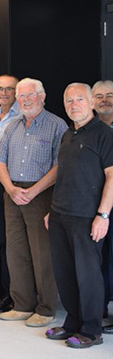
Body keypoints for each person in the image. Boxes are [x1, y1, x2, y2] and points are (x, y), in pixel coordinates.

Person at [44, 83, 113, 348]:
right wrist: (52, 210)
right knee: (65, 273)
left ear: (92, 103)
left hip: (87, 217)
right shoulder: (67, 135)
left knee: (88, 275)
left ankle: (92, 330)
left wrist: (103, 215)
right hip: (60, 215)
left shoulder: (104, 135)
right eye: (69, 100)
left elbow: (111, 176)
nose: (74, 105)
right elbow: (64, 175)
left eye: (80, 100)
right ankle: (72, 323)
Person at [0, 77, 66, 327]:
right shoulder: (12, 126)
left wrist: (34, 191)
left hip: (41, 194)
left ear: (42, 97)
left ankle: (46, 308)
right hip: (12, 193)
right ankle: (22, 304)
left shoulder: (57, 125)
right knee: (16, 251)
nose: (24, 100)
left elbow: (60, 166)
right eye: (21, 96)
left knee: (42, 253)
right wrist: (10, 188)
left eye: (29, 95)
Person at [0, 74, 21, 313]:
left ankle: (20, 296)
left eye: (9, 89)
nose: (4, 93)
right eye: (0, 89)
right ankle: (7, 294)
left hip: (17, 182)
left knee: (17, 242)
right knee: (2, 240)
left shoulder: (22, 114)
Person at [93, 79, 113, 334]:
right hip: (95, 204)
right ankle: (99, 308)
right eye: (99, 96)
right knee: (99, 259)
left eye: (109, 95)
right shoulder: (90, 129)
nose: (104, 100)